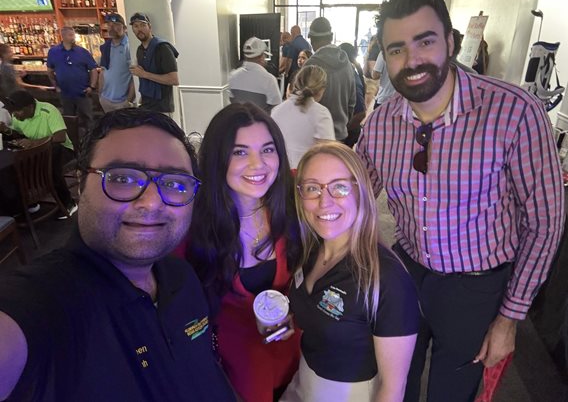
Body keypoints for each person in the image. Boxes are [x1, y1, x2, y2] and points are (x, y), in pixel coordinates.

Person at [356, 0, 565, 401]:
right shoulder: (380, 124)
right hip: (409, 270)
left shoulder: (514, 113)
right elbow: (352, 197)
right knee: (395, 381)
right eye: (396, 49)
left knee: (452, 392)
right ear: (384, 56)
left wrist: (510, 317)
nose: (411, 60)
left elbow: (545, 221)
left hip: (477, 287)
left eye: (425, 41)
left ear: (450, 43)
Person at [0, 108, 237, 402]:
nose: (151, 202)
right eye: (123, 179)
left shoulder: (182, 276)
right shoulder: (48, 302)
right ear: (80, 185)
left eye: (174, 184)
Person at [281, 141, 419, 402]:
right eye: (312, 188)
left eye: (340, 187)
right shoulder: (310, 251)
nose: (324, 202)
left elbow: (392, 389)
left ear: (361, 192)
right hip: (303, 380)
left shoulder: (387, 280)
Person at [187, 103, 301, 402]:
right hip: (231, 379)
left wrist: (298, 313)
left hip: (295, 369)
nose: (257, 164)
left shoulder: (294, 208)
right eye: (240, 152)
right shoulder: (191, 226)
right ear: (218, 158)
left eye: (267, 149)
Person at [0, 90, 77, 218]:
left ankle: (68, 202)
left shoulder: (48, 110)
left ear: (30, 107)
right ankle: (23, 204)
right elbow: (19, 135)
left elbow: (60, 137)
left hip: (62, 150)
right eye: (13, 112)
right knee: (10, 169)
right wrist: (6, 130)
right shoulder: (18, 116)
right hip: (35, 151)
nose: (14, 115)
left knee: (49, 164)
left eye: (18, 111)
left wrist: (33, 142)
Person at [272, 64, 334, 168]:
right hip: (308, 171)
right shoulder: (321, 113)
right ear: (322, 90)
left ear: (295, 83)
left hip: (280, 170)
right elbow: (328, 153)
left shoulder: (277, 110)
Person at [305, 17, 356, 143]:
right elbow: (352, 102)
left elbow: (303, 103)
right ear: (331, 37)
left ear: (311, 40)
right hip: (340, 136)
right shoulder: (347, 63)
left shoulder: (310, 65)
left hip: (316, 137)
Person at [129, 12, 179, 114]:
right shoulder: (140, 50)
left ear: (149, 27)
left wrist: (144, 74)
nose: (139, 29)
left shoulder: (163, 48)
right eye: (136, 26)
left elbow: (174, 80)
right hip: (146, 105)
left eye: (143, 25)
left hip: (162, 108)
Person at [46, 27, 98, 122]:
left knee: (88, 118)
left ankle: (89, 132)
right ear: (63, 36)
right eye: (70, 35)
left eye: (73, 35)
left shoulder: (82, 51)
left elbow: (93, 69)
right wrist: (56, 86)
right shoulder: (53, 52)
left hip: (83, 92)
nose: (73, 37)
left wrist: (92, 86)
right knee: (69, 119)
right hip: (65, 93)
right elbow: (50, 71)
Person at [228, 37, 282, 113]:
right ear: (261, 57)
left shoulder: (232, 76)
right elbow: (276, 107)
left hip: (238, 119)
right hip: (260, 119)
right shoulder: (269, 80)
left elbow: (232, 100)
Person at [98, 13, 135, 112]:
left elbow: (135, 76)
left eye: (115, 25)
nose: (111, 28)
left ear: (124, 28)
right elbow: (103, 71)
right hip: (106, 99)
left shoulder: (129, 47)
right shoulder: (106, 47)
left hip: (122, 102)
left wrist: (128, 101)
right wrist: (100, 95)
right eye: (109, 25)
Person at [339, 42, 367, 147]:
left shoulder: (352, 78)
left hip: (348, 133)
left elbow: (361, 113)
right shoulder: (349, 74)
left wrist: (344, 130)